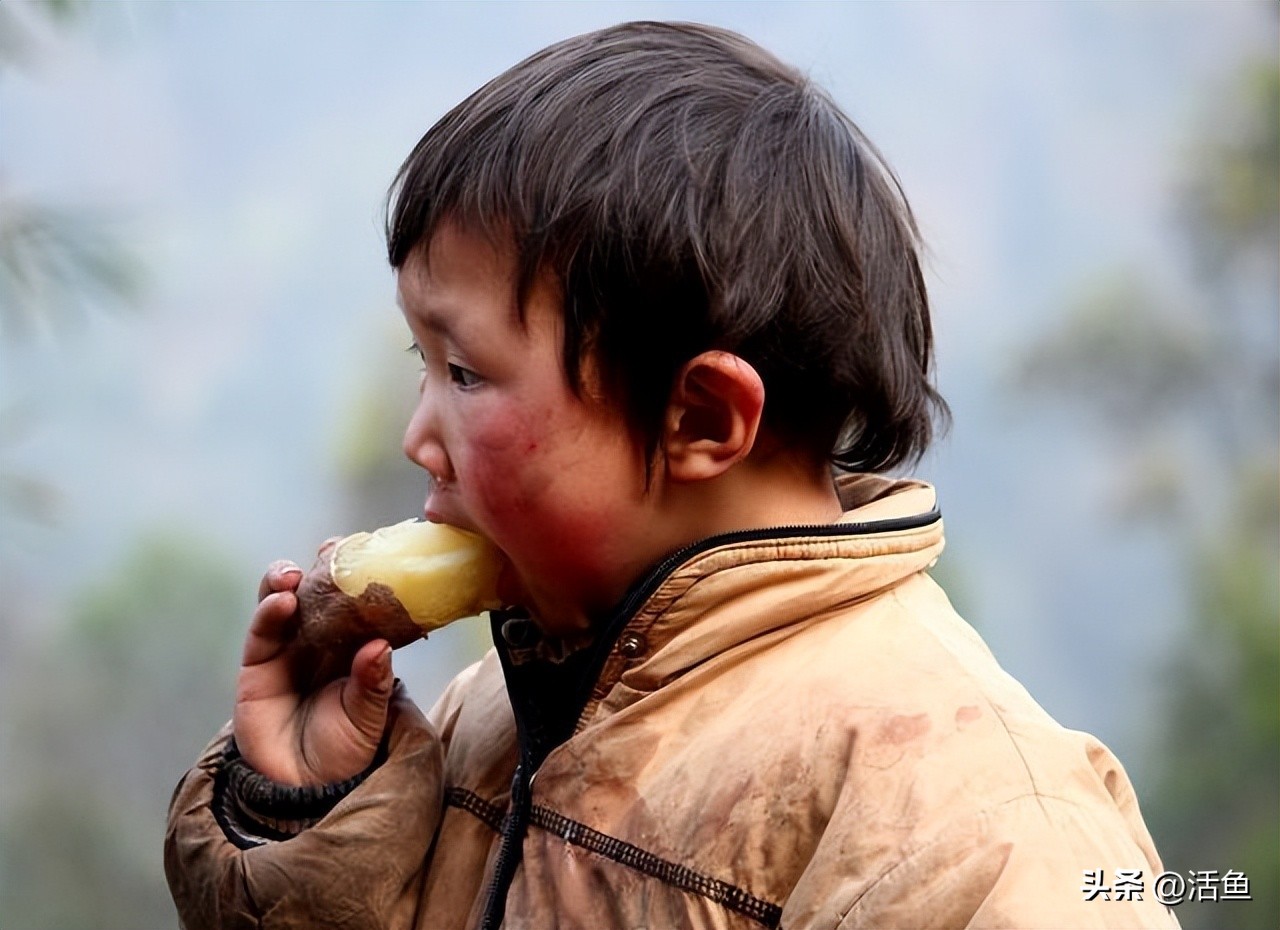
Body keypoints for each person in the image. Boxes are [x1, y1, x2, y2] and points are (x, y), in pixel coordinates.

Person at [165, 21, 1177, 930]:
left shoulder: (970, 832)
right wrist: (302, 809)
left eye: (464, 372)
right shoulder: (493, 708)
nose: (415, 438)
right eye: (417, 364)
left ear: (698, 417)